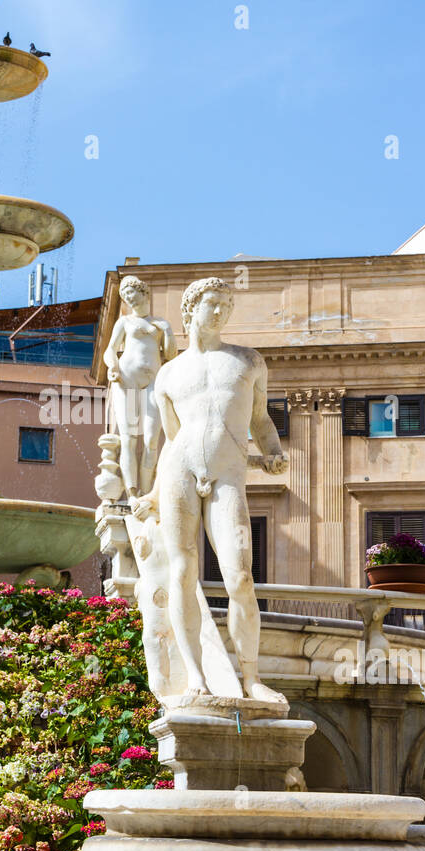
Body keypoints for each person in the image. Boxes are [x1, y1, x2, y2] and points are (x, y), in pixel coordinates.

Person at [152, 276, 287, 700]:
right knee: (183, 571)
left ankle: (251, 678)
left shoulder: (248, 361)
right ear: (191, 309)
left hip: (229, 476)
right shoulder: (168, 374)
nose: (222, 311)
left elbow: (261, 419)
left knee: (240, 577)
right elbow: (171, 439)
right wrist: (152, 495)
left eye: (227, 305)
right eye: (214, 303)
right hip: (179, 472)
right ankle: (196, 676)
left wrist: (273, 448)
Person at [103, 275, 176, 498]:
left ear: (143, 292)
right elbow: (110, 349)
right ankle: (133, 493)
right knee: (128, 437)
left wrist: (168, 331)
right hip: (126, 379)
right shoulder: (124, 322)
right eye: (124, 296)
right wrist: (113, 366)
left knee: (152, 440)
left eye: (129, 293)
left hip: (154, 380)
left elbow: (170, 356)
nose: (127, 298)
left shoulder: (159, 323)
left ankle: (147, 492)